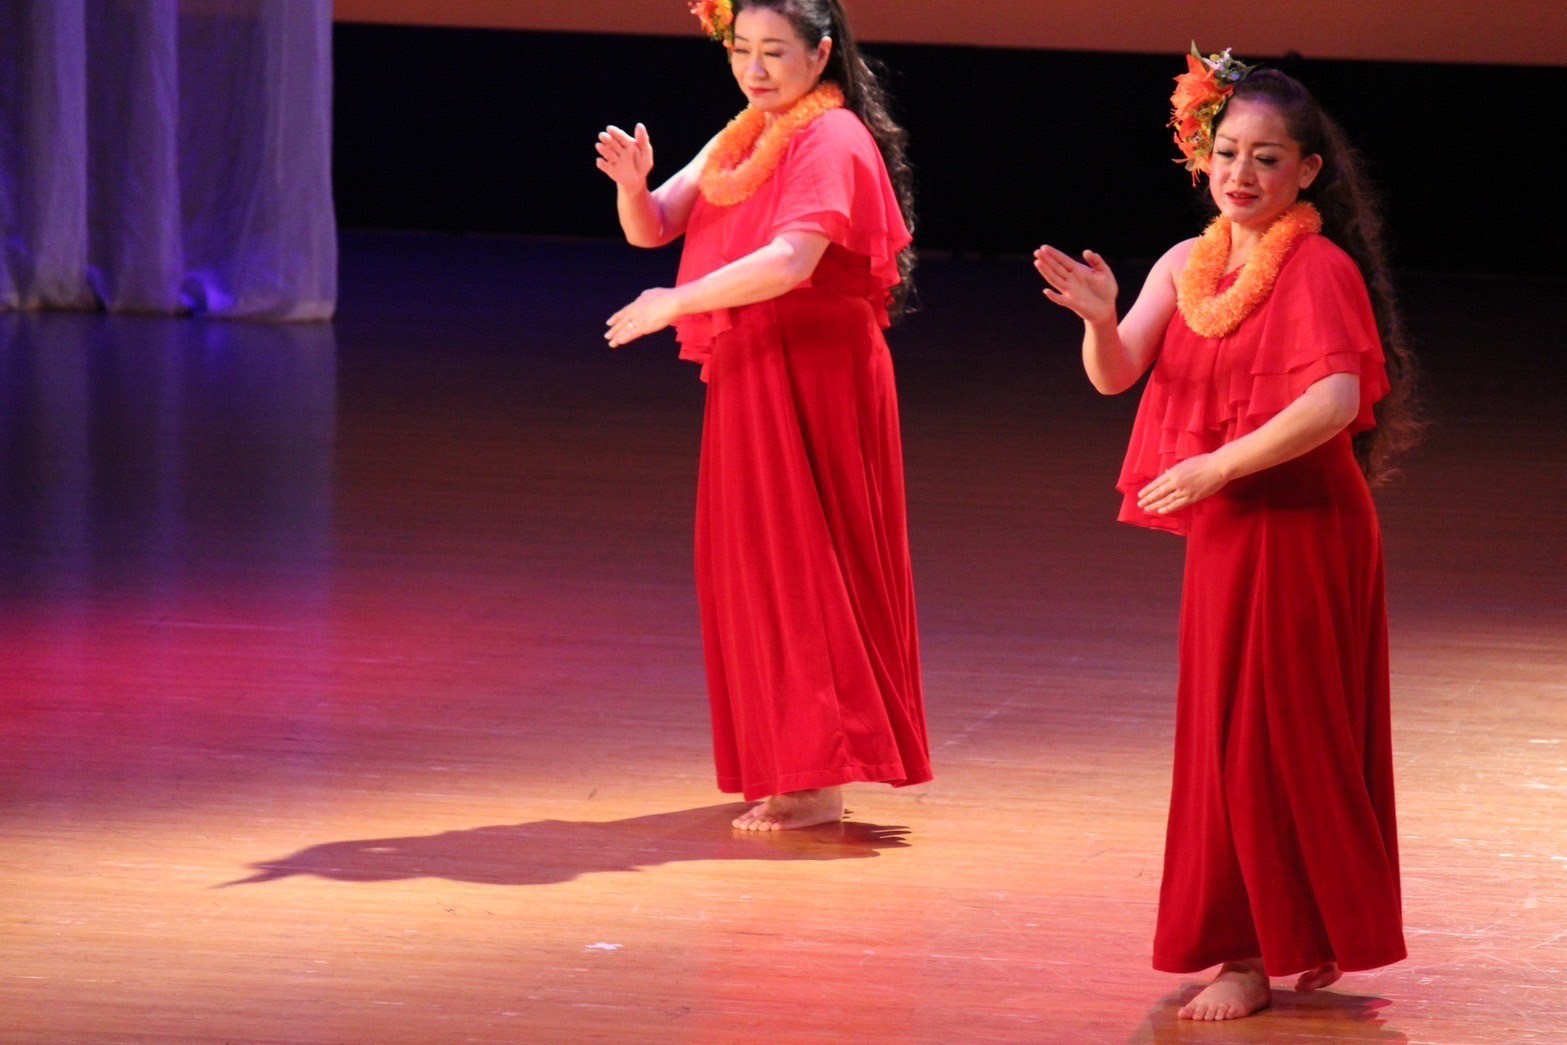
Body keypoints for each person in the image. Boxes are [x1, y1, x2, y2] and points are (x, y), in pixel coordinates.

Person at [1035, 48, 1419, 1021]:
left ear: (1307, 172)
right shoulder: (1186, 263)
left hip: (1307, 528)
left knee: (1279, 738)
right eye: (1227, 153)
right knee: (1223, 740)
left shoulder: (1318, 268)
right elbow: (1116, 373)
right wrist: (1098, 320)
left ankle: (1270, 947)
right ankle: (1250, 942)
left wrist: (1216, 465)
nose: (1240, 174)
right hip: (1229, 534)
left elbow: (1334, 400)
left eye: (1266, 158)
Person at [595, 0, 930, 831]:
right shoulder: (744, 132)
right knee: (755, 562)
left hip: (817, 369)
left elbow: (791, 259)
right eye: (741, 48)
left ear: (820, 55)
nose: (754, 67)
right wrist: (632, 186)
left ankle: (818, 776)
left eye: (774, 51)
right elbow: (654, 225)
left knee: (807, 561)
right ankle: (795, 760)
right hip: (753, 366)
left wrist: (675, 302)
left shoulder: (832, 136)